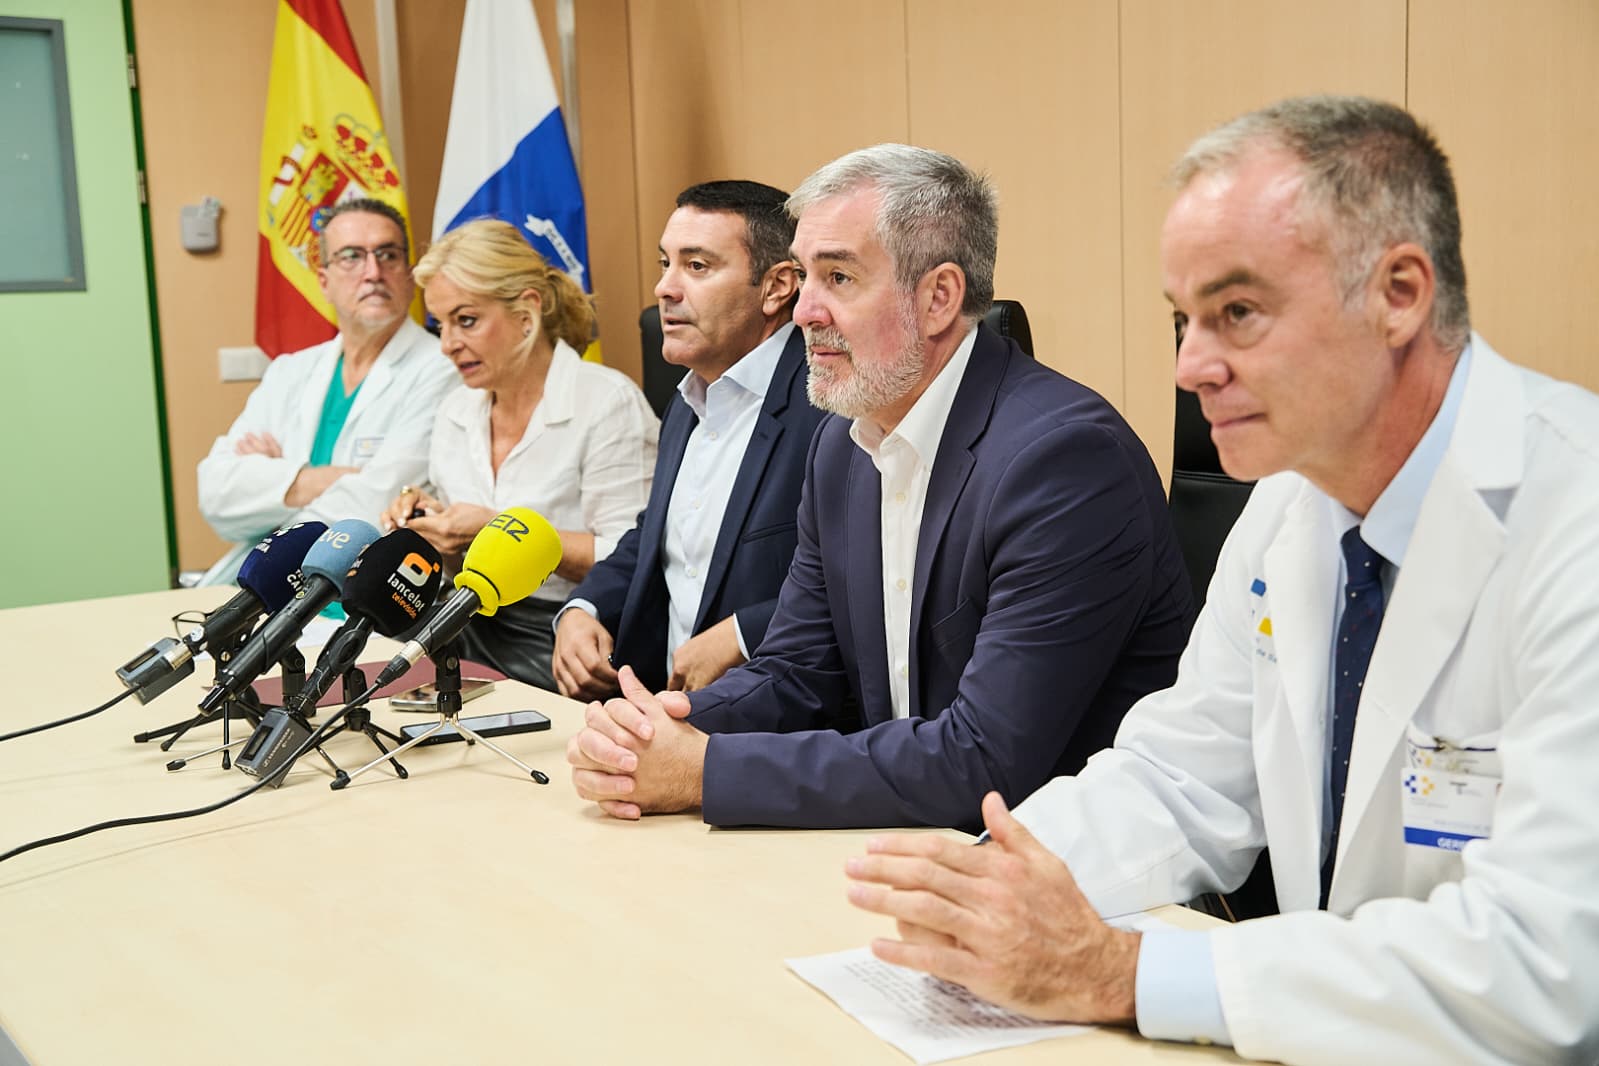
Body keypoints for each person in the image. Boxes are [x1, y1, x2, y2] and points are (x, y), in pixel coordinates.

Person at [843, 97, 1599, 1064]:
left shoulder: (1570, 517)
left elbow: (1547, 964)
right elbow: (1177, 777)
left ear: (1398, 292)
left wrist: (1123, 974)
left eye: (1236, 313)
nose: (1191, 367)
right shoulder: (1292, 505)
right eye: (1182, 322)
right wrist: (979, 892)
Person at [565, 145, 1193, 831]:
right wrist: (656, 725)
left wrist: (703, 771)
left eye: (837, 277)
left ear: (937, 298)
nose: (803, 310)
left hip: (1071, 864)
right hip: (906, 838)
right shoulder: (842, 442)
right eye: (804, 277)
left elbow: (986, 760)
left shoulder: (1064, 461)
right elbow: (799, 670)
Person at [552, 181, 825, 699]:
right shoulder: (687, 396)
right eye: (665, 264)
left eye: (696, 266)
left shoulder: (828, 404)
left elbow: (862, 579)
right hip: (660, 711)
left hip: (777, 724)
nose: (665, 289)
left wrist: (744, 636)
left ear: (776, 287)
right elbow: (657, 537)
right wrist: (584, 608)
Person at [383, 219, 657, 690]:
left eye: (466, 321)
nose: (447, 345)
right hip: (468, 617)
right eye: (439, 325)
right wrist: (432, 528)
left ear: (527, 313)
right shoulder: (455, 408)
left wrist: (496, 527)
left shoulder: (606, 403)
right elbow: (458, 555)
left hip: (568, 629)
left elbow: (636, 557)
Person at [197, 198, 457, 585]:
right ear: (324, 281)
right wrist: (320, 478)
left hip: (359, 603)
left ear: (408, 273)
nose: (373, 272)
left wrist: (273, 479)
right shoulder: (291, 371)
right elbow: (217, 494)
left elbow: (372, 509)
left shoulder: (442, 369)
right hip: (267, 588)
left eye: (387, 254)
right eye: (351, 256)